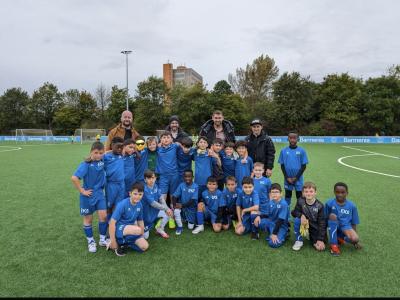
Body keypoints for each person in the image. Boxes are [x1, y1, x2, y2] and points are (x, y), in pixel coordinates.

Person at [71, 142, 108, 253]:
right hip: (88, 195)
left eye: (100, 153)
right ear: (91, 152)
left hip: (100, 194)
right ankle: (91, 241)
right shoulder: (86, 164)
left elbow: (110, 152)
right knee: (88, 219)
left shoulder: (102, 160)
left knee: (104, 216)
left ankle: (102, 239)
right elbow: (74, 178)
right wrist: (82, 191)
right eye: (95, 153)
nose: (98, 155)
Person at [107, 182, 149, 256]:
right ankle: (115, 241)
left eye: (140, 194)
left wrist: (141, 235)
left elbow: (140, 221)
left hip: (129, 228)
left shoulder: (140, 205)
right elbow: (112, 223)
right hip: (119, 228)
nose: (137, 196)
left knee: (144, 246)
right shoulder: (122, 204)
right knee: (137, 230)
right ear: (130, 193)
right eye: (135, 194)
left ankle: (125, 244)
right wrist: (113, 241)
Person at [325, 182, 362, 256]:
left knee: (355, 238)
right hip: (334, 225)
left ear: (347, 193)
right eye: (337, 192)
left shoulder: (352, 206)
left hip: (345, 227)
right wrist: (324, 235)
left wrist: (355, 242)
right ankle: (334, 245)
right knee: (332, 215)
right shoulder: (329, 203)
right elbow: (324, 219)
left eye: (342, 192)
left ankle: (340, 238)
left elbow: (353, 223)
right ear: (334, 192)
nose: (340, 194)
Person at [291, 182, 326, 251]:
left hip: (314, 227)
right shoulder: (300, 201)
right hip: (304, 223)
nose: (308, 193)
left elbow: (322, 223)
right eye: (306, 191)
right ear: (303, 193)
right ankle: (299, 241)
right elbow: (294, 212)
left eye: (311, 191)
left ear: (315, 192)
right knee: (297, 219)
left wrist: (320, 239)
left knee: (319, 247)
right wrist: (301, 215)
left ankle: (309, 234)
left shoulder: (320, 206)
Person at [278, 131, 309, 208]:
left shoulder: (302, 151)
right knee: (288, 195)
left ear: (298, 139)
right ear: (287, 139)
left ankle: (299, 215)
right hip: (287, 179)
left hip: (298, 179)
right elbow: (282, 165)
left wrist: (296, 177)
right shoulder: (283, 151)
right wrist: (287, 177)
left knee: (299, 196)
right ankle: (286, 214)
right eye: (290, 138)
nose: (292, 140)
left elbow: (304, 166)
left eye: (294, 138)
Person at [255, 183, 289, 248]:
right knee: (258, 222)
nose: (274, 194)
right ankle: (271, 232)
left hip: (281, 225)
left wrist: (274, 234)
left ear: (281, 193)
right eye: (272, 192)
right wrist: (259, 216)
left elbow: (280, 220)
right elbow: (267, 214)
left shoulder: (283, 204)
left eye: (276, 192)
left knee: (273, 244)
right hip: (271, 222)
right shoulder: (271, 202)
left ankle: (284, 234)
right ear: (270, 194)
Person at [141, 170, 173, 239]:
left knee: (168, 213)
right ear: (145, 179)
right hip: (146, 215)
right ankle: (137, 227)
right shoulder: (145, 189)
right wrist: (165, 208)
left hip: (155, 211)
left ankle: (160, 229)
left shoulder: (155, 186)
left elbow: (161, 198)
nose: (151, 180)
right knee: (145, 237)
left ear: (155, 178)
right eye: (149, 178)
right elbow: (153, 203)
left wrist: (167, 209)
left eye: (153, 178)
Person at [171, 170, 199, 235]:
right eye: (185, 176)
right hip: (182, 206)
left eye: (189, 176)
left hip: (191, 207)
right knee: (176, 211)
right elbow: (174, 196)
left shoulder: (196, 186)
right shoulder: (181, 185)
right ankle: (180, 226)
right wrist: (174, 205)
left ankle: (186, 219)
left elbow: (193, 200)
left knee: (190, 227)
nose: (187, 178)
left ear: (193, 177)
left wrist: (182, 205)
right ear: (183, 177)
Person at [104, 137, 125, 220]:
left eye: (121, 147)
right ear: (112, 145)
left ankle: (114, 223)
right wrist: (108, 151)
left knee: (118, 205)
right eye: (117, 147)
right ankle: (107, 223)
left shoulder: (122, 155)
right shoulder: (106, 157)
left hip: (121, 184)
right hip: (111, 185)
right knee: (109, 205)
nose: (120, 149)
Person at [252, 162, 272, 239]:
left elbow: (270, 192)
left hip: (265, 204)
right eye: (256, 170)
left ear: (263, 171)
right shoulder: (251, 180)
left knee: (267, 218)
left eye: (259, 170)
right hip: (255, 204)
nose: (257, 172)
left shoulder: (267, 180)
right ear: (253, 170)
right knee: (253, 215)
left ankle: (266, 227)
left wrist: (270, 202)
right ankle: (255, 232)